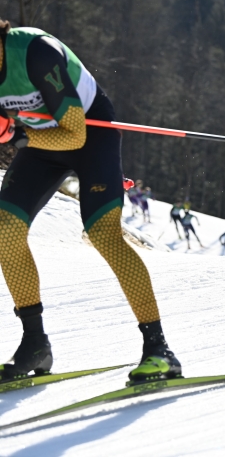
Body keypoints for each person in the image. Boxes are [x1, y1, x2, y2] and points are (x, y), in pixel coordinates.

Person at [0, 21, 180, 383]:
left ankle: (159, 349)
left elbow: (73, 132)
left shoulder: (35, 52)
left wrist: (16, 135)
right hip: (41, 142)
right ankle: (35, 343)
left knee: (104, 235)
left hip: (88, 136)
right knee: (5, 230)